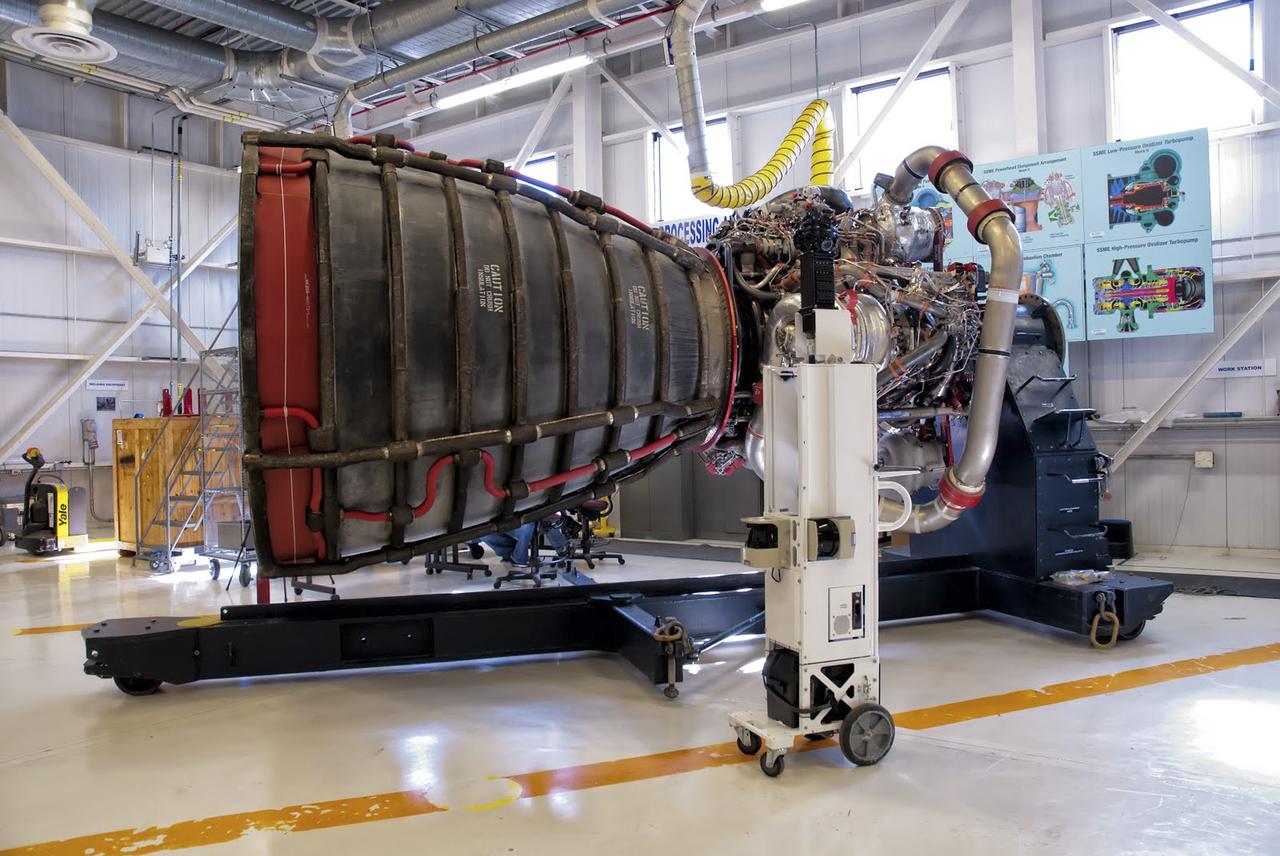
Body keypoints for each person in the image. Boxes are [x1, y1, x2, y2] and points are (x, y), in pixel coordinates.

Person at [477, 515, 566, 567]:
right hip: (500, 518)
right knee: (483, 532)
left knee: (526, 527)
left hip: (527, 517)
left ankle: (519, 558)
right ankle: (511, 553)